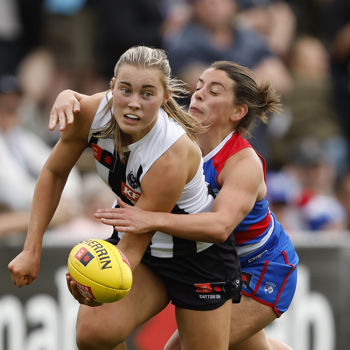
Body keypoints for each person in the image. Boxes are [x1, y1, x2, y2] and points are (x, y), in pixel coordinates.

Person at [48, 60, 298, 350]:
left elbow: (219, 226)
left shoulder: (243, 162)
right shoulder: (173, 132)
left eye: (214, 91)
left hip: (260, 268)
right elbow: (112, 101)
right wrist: (70, 96)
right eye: (200, 85)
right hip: (206, 258)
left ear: (238, 111)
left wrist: (150, 219)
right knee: (97, 333)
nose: (199, 93)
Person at [8, 46, 242, 350]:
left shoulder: (171, 154)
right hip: (141, 246)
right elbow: (53, 173)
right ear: (112, 87)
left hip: (196, 257)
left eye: (147, 93)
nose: (133, 103)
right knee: (93, 335)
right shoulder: (91, 114)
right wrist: (31, 249)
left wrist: (94, 281)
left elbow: (133, 245)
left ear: (165, 98)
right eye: (126, 90)